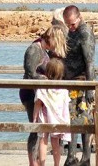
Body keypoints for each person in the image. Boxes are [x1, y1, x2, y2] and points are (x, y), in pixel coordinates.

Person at [19, 25, 67, 166]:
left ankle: (39, 161)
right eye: (56, 44)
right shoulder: (35, 49)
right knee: (35, 129)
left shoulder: (45, 51)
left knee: (41, 130)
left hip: (41, 94)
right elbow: (30, 73)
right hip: (31, 94)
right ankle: (33, 163)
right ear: (51, 39)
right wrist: (44, 79)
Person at [62, 5, 96, 166]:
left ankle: (86, 158)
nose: (70, 27)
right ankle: (71, 155)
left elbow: (89, 62)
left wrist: (90, 88)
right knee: (72, 120)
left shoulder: (85, 32)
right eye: (67, 25)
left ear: (79, 17)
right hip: (71, 82)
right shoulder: (72, 32)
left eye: (72, 24)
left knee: (85, 120)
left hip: (83, 81)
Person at [33, 58, 71, 166]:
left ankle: (42, 164)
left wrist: (34, 118)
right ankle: (56, 164)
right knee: (56, 144)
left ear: (47, 72)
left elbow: (38, 103)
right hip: (57, 119)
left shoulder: (44, 87)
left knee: (43, 142)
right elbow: (65, 105)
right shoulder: (63, 90)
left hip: (45, 118)